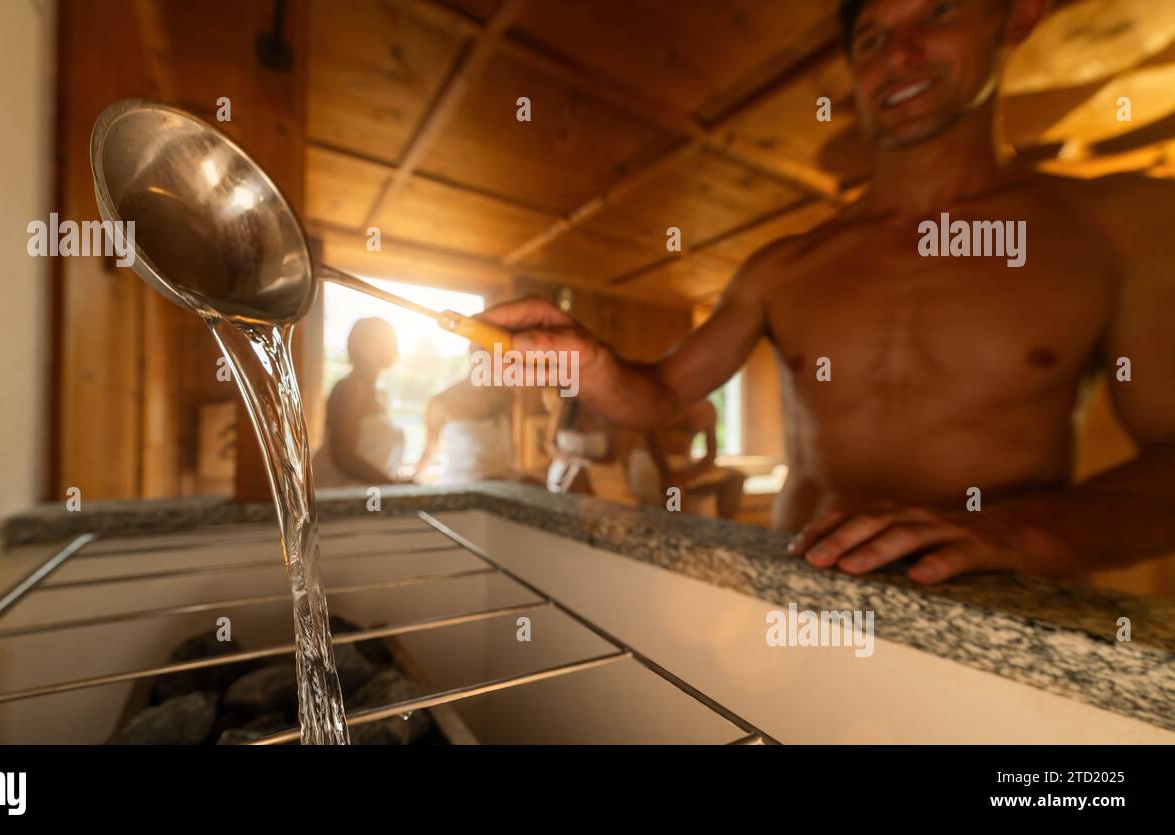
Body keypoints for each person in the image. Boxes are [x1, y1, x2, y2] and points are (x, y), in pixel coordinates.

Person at [477, 0, 1175, 584]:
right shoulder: (782, 266)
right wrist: (592, 363)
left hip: (994, 614)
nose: (901, 53)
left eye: (937, 11)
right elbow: (658, 394)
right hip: (802, 589)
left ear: (1017, 14)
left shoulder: (1114, 229)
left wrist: (1022, 532)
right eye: (873, 37)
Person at [312, 317, 406, 486]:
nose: (386, 348)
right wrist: (391, 485)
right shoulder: (348, 388)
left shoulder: (379, 394)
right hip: (336, 492)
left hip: (367, 493)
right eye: (378, 342)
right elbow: (343, 457)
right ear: (358, 347)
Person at [627, 400, 745, 519]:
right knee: (674, 489)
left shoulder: (707, 408)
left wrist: (691, 474)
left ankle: (724, 530)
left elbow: (711, 453)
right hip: (650, 462)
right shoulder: (660, 398)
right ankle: (675, 527)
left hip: (684, 465)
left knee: (736, 478)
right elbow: (651, 441)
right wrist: (667, 473)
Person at [412, 377, 515, 485]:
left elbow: (511, 449)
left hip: (503, 486)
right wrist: (414, 478)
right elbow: (430, 449)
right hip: (459, 487)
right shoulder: (441, 401)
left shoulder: (506, 396)